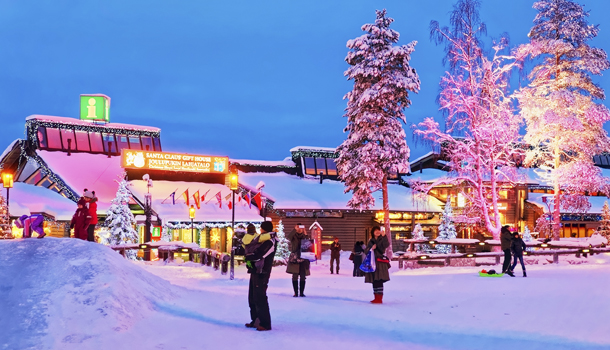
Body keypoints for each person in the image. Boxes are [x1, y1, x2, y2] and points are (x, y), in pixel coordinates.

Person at [245, 221, 277, 331]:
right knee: (252, 297)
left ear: (264, 229)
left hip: (262, 273)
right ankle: (256, 320)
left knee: (260, 298)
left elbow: (259, 255)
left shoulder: (270, 242)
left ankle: (265, 323)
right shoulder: (262, 240)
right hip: (255, 271)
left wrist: (248, 257)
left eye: (261, 228)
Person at [364, 226, 390, 304]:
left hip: (380, 262)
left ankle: (379, 298)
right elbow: (366, 251)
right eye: (375, 231)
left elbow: (386, 245)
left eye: (378, 230)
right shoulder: (371, 241)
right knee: (374, 280)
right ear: (373, 232)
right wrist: (371, 248)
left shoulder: (382, 239)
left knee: (379, 279)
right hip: (372, 262)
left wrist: (384, 235)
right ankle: (376, 297)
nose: (377, 232)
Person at [286, 224, 310, 297]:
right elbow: (289, 237)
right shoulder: (294, 236)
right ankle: (296, 292)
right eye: (298, 228)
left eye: (301, 228)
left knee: (303, 276)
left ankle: (302, 293)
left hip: (303, 257)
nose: (300, 229)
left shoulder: (304, 236)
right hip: (295, 258)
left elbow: (308, 244)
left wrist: (305, 234)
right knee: (295, 275)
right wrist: (294, 229)